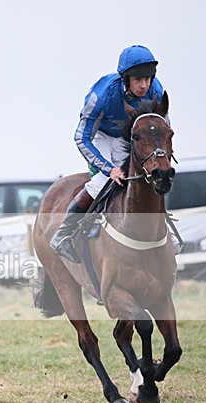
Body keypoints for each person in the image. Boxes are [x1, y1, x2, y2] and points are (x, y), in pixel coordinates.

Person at [51, 44, 170, 263]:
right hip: (100, 136)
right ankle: (63, 234)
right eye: (138, 80)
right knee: (103, 181)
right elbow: (81, 137)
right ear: (125, 78)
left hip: (131, 136)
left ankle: (165, 234)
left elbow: (160, 129)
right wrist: (110, 168)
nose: (145, 86)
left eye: (148, 78)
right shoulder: (102, 94)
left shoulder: (156, 90)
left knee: (151, 176)